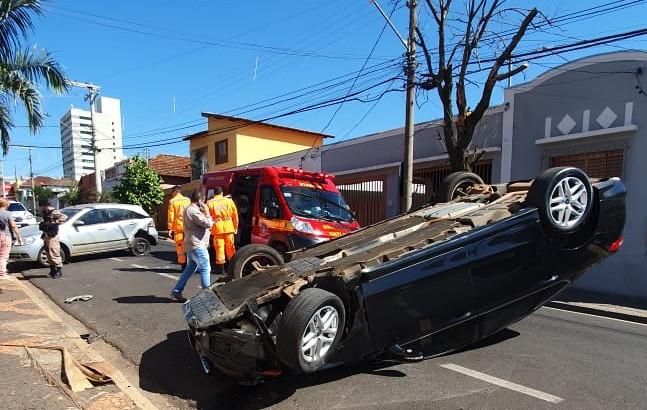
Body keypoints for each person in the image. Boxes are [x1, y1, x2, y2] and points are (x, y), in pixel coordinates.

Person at [170, 188, 213, 302]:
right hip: (197, 245)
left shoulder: (189, 209)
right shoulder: (194, 211)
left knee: (190, 269)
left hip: (191, 244)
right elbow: (207, 223)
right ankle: (207, 296)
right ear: (200, 200)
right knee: (205, 268)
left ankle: (177, 291)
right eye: (203, 201)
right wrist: (207, 212)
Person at [206, 186, 238, 276]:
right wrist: (235, 227)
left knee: (219, 248)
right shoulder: (229, 201)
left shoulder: (210, 203)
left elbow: (207, 217)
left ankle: (221, 269)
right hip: (229, 226)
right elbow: (235, 215)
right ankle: (232, 267)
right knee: (230, 247)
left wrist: (208, 229)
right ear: (222, 193)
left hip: (217, 227)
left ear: (214, 194)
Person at [39, 200, 68, 278]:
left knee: (54, 252)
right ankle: (52, 270)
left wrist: (55, 221)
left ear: (46, 206)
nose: (41, 208)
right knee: (48, 253)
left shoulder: (54, 212)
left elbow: (64, 217)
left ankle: (59, 271)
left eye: (42, 206)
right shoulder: (45, 212)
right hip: (46, 235)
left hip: (52, 236)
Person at [167, 186, 191, 270]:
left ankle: (183, 265)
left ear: (175, 192)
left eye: (172, 193)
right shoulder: (187, 200)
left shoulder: (172, 201)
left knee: (180, 246)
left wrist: (170, 228)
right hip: (188, 226)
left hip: (179, 227)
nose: (172, 194)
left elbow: (171, 216)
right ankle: (191, 264)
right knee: (190, 245)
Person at [0, 198, 23, 280]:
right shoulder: (7, 214)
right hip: (5, 236)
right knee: (3, 256)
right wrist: (19, 236)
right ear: (6, 205)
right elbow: (13, 225)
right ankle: (2, 274)